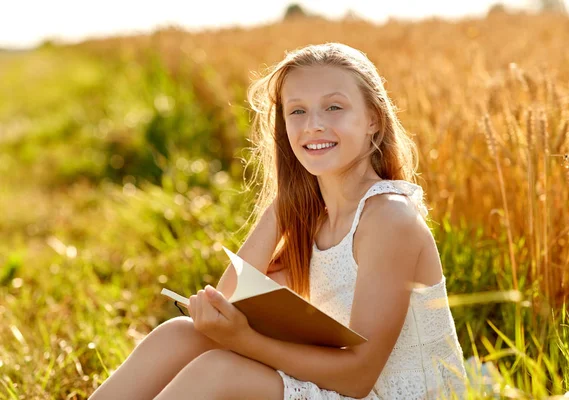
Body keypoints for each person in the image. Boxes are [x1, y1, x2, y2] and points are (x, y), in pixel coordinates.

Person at [90, 42, 467, 400]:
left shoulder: (388, 219)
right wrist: (284, 203)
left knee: (220, 370)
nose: (313, 125)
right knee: (180, 334)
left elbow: (359, 376)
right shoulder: (315, 218)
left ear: (373, 119)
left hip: (386, 394)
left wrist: (245, 341)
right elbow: (227, 304)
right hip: (347, 388)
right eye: (297, 111)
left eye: (334, 107)